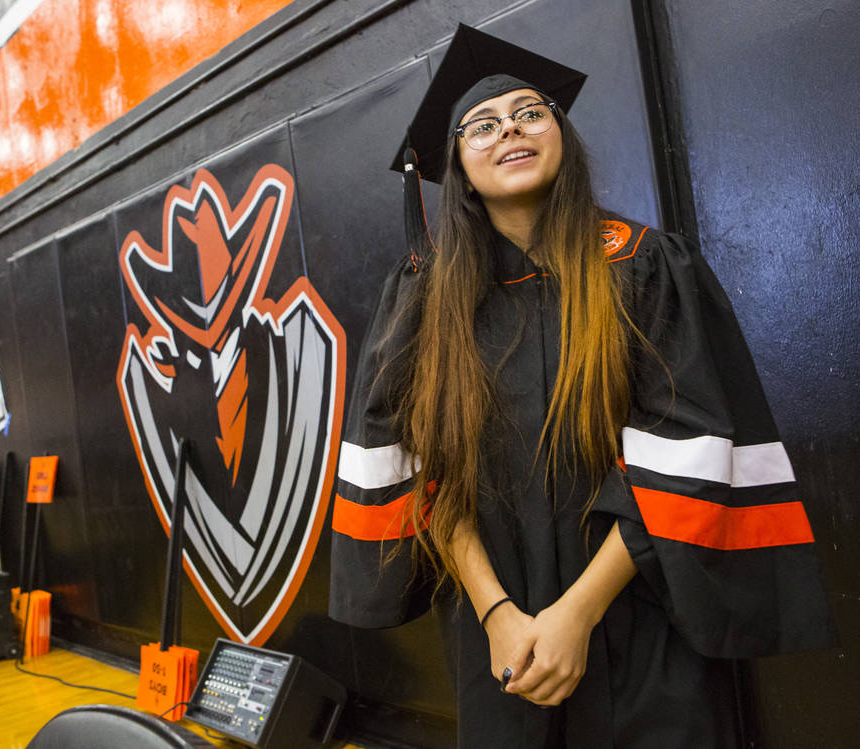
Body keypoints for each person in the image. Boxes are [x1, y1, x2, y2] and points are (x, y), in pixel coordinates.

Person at [328, 24, 837, 748]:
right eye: (483, 124)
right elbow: (422, 470)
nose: (511, 128)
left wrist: (577, 613)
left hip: (641, 622)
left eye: (530, 112)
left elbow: (684, 451)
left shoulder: (642, 266)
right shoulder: (423, 301)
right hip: (497, 636)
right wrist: (501, 614)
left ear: (561, 135)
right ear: (455, 168)